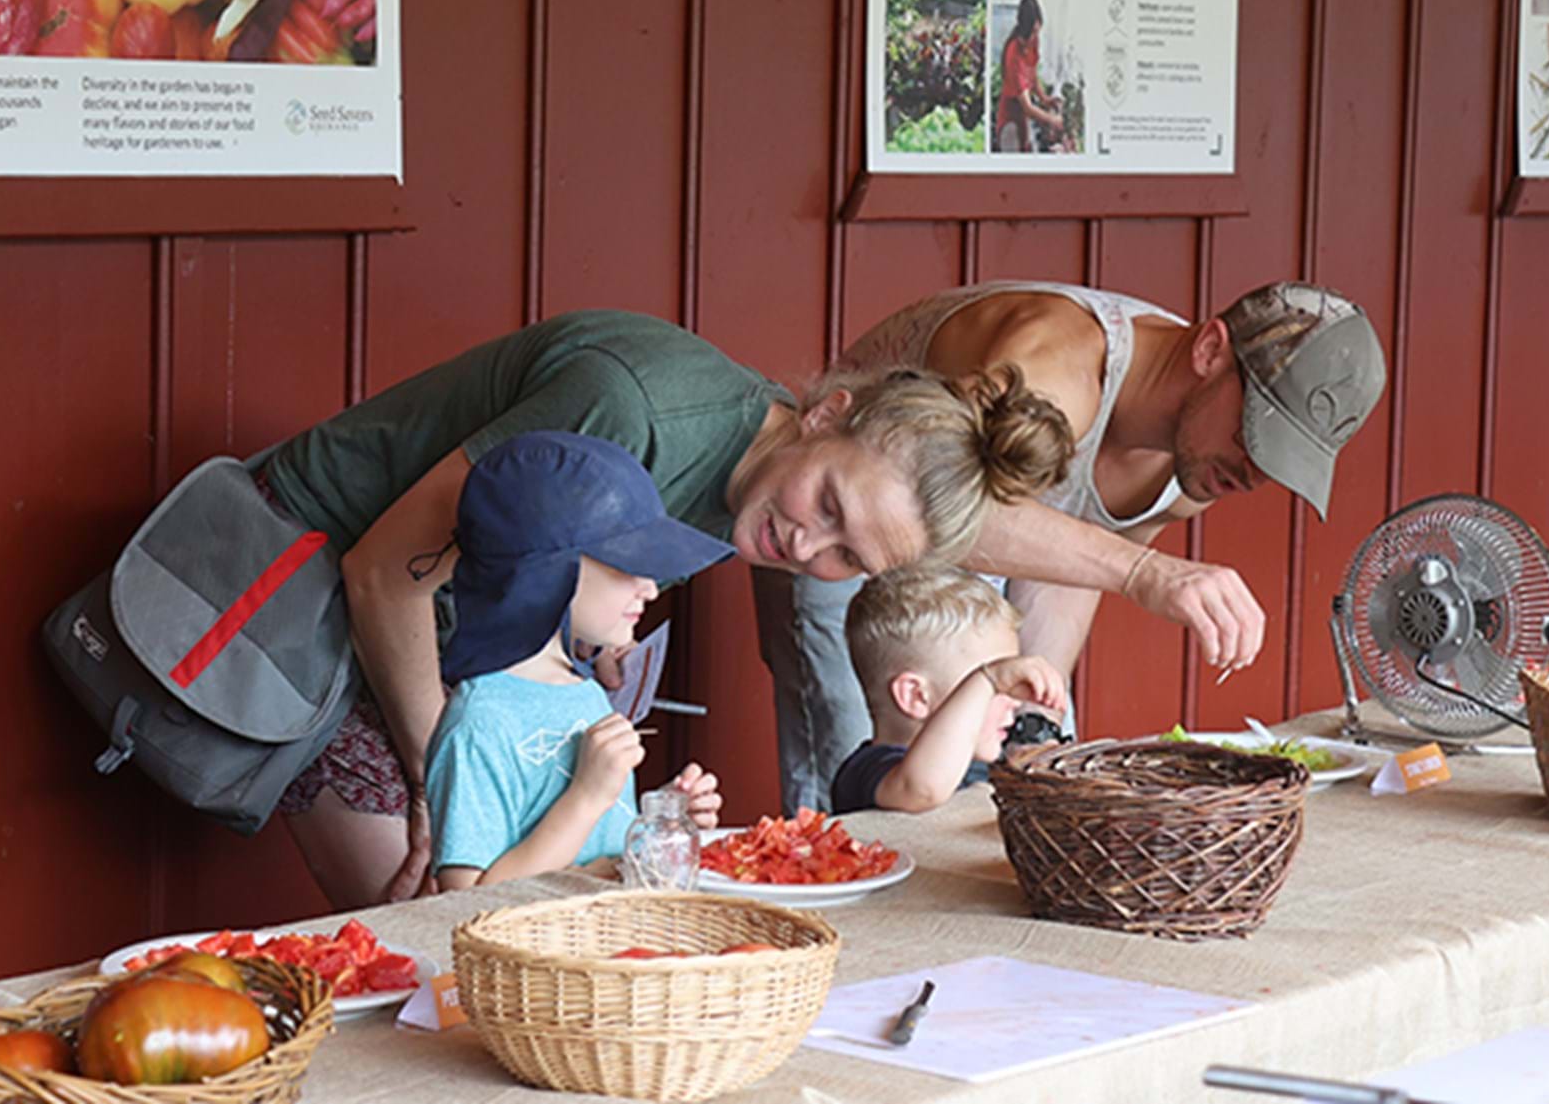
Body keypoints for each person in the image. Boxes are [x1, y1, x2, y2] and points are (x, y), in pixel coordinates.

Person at [260, 308, 1109, 908]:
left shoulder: (761, 493)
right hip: (313, 605)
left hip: (459, 649)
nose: (809, 549)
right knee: (418, 924)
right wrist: (435, 777)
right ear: (827, 413)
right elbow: (383, 572)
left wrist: (580, 643)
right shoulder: (638, 409)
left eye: (849, 557)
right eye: (828, 506)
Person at [754, 281, 1387, 815]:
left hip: (973, 565)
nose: (1253, 473)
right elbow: (940, 510)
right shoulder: (1055, 362)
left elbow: (1073, 569)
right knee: (862, 793)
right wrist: (1147, 571)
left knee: (1025, 776)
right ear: (1211, 349)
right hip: (839, 523)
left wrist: (1035, 722)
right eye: (1256, 434)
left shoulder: (1203, 460)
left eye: (1279, 460)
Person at [424, 433, 727, 889]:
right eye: (629, 564)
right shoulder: (479, 723)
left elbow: (595, 858)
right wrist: (587, 796)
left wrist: (662, 821)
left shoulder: (585, 693)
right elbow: (468, 902)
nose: (649, 588)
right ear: (548, 572)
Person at [833, 563, 1070, 814]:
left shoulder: (979, 766)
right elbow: (923, 790)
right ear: (916, 697)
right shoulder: (870, 771)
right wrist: (986, 680)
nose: (1014, 702)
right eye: (995, 689)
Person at [996, 0, 1066, 153]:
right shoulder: (1013, 54)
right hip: (1010, 119)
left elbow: (1032, 74)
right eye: (1034, 32)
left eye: (1038, 31)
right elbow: (1027, 107)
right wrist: (1052, 120)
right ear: (1025, 28)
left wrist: (1044, 99)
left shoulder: (1032, 40)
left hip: (1022, 117)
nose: (1036, 36)